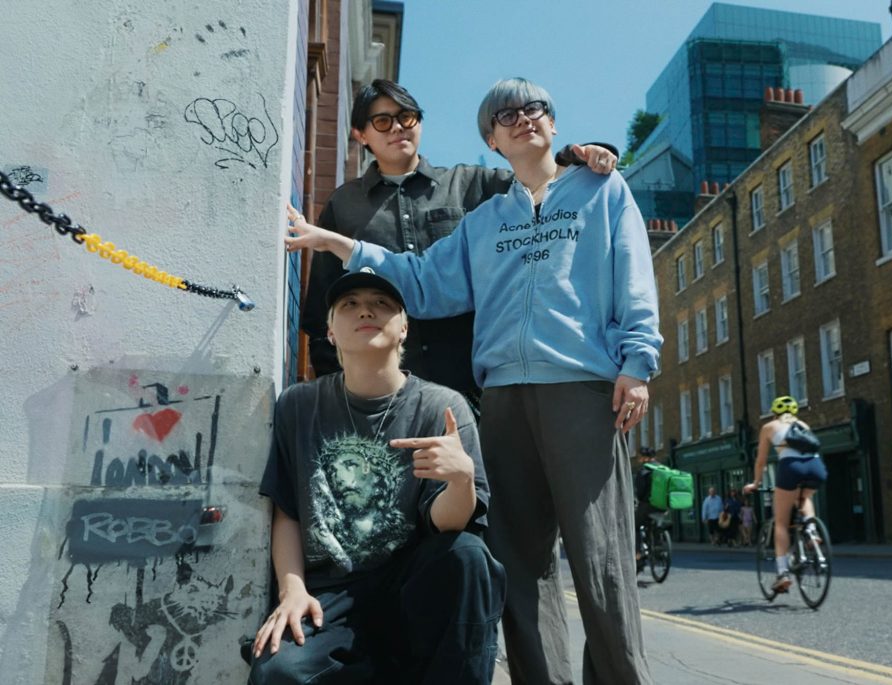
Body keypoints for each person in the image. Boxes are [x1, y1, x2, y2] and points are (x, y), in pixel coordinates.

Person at [285, 77, 660, 685]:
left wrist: (637, 363)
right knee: (520, 566)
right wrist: (338, 244)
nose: (522, 118)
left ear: (553, 123)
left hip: (583, 389)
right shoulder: (485, 221)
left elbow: (635, 277)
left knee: (603, 562)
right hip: (503, 400)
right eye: (505, 115)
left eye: (534, 108)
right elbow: (423, 280)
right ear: (491, 140)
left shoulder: (602, 189)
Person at [248, 270, 506, 684]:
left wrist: (461, 481)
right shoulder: (298, 405)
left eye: (381, 303)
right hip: (330, 594)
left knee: (469, 555)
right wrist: (291, 590)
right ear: (330, 331)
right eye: (349, 304)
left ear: (404, 328)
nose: (366, 310)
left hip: (411, 590)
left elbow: (449, 527)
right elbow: (287, 512)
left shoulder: (441, 407)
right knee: (278, 671)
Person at [302, 79, 619, 405]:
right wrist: (340, 393)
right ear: (360, 135)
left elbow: (537, 176)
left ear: (419, 122)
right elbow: (320, 315)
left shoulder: (474, 185)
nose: (397, 128)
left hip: (473, 390)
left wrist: (580, 155)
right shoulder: (344, 206)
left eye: (406, 117)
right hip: (382, 395)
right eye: (383, 121)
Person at [743, 395, 828, 593]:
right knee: (804, 497)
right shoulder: (803, 424)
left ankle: (782, 573)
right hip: (816, 466)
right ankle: (811, 531)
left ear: (775, 413)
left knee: (781, 523)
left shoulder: (769, 427)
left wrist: (756, 483)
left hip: (791, 467)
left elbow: (761, 461)